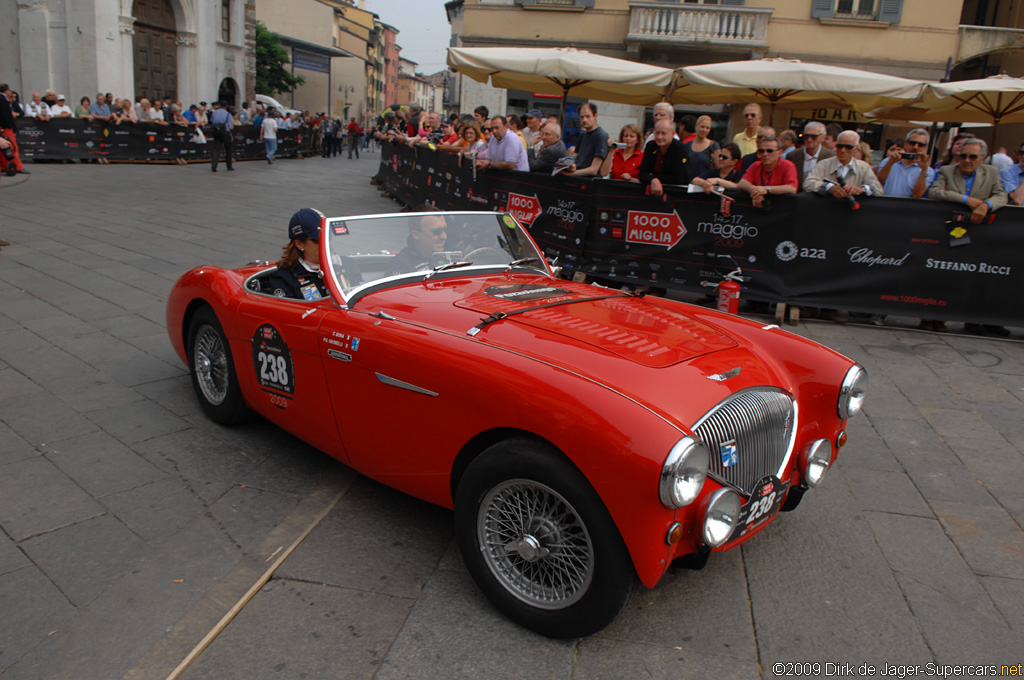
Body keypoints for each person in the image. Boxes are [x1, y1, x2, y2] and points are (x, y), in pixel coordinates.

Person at [929, 138, 1009, 336]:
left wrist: (986, 205)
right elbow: (935, 192)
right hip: (949, 231)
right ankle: (934, 317)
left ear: (982, 158)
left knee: (975, 277)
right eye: (963, 156)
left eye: (973, 156)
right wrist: (967, 200)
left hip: (979, 235)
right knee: (943, 275)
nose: (966, 160)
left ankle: (973, 319)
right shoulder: (948, 171)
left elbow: (1001, 195)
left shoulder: (991, 173)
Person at [266, 209, 332, 300]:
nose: (326, 243)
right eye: (318, 240)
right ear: (299, 244)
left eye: (327, 237)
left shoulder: (344, 265)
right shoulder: (284, 278)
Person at [804, 130, 883, 197]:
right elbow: (807, 184)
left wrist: (861, 189)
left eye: (848, 147)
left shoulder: (863, 167)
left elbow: (878, 189)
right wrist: (829, 188)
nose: (843, 150)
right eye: (840, 146)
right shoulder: (824, 164)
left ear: (855, 149)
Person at [737, 136, 798, 208]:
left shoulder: (788, 166)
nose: (765, 154)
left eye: (769, 151)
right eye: (762, 151)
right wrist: (756, 191)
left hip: (781, 209)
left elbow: (792, 188)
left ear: (780, 152)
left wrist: (766, 189)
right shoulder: (755, 165)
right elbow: (742, 183)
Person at [386, 208, 449, 275]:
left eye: (445, 230)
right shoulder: (400, 264)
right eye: (437, 231)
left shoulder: (455, 253)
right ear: (416, 235)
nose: (444, 237)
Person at [876, 128, 935, 198]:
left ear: (926, 147)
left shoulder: (929, 171)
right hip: (885, 204)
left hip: (907, 207)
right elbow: (879, 181)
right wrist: (890, 163)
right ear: (905, 143)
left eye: (921, 144)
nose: (916, 147)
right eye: (912, 143)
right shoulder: (888, 161)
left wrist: (924, 170)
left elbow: (917, 195)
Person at [638, 118, 688, 196]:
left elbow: (679, 178)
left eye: (663, 133)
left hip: (675, 194)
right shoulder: (651, 146)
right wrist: (653, 180)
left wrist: (654, 178)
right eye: (657, 133)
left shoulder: (680, 149)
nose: (659, 137)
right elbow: (642, 173)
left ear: (673, 133)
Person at [788, 121, 834, 190]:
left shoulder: (831, 156)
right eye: (806, 136)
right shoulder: (792, 156)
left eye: (814, 136)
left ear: (823, 137)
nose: (809, 140)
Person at [566, 102, 609, 177]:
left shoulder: (601, 136)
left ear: (595, 115)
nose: (584, 120)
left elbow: (594, 170)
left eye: (588, 116)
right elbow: (575, 156)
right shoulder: (583, 134)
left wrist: (569, 174)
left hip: (591, 182)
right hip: (579, 178)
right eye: (582, 117)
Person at [0, 83, 27, 176]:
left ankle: (4, 166)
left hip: (1, 127)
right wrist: (12, 127)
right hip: (6, 128)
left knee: (3, 149)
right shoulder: (3, 100)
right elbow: (6, 116)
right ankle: (18, 167)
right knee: (12, 147)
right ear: (7, 90)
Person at [209, 101, 234, 172]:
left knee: (216, 149)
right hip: (225, 132)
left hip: (216, 132)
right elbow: (231, 127)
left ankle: (214, 165)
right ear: (226, 106)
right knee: (228, 149)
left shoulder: (214, 112)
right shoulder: (228, 114)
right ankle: (229, 166)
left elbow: (212, 121)